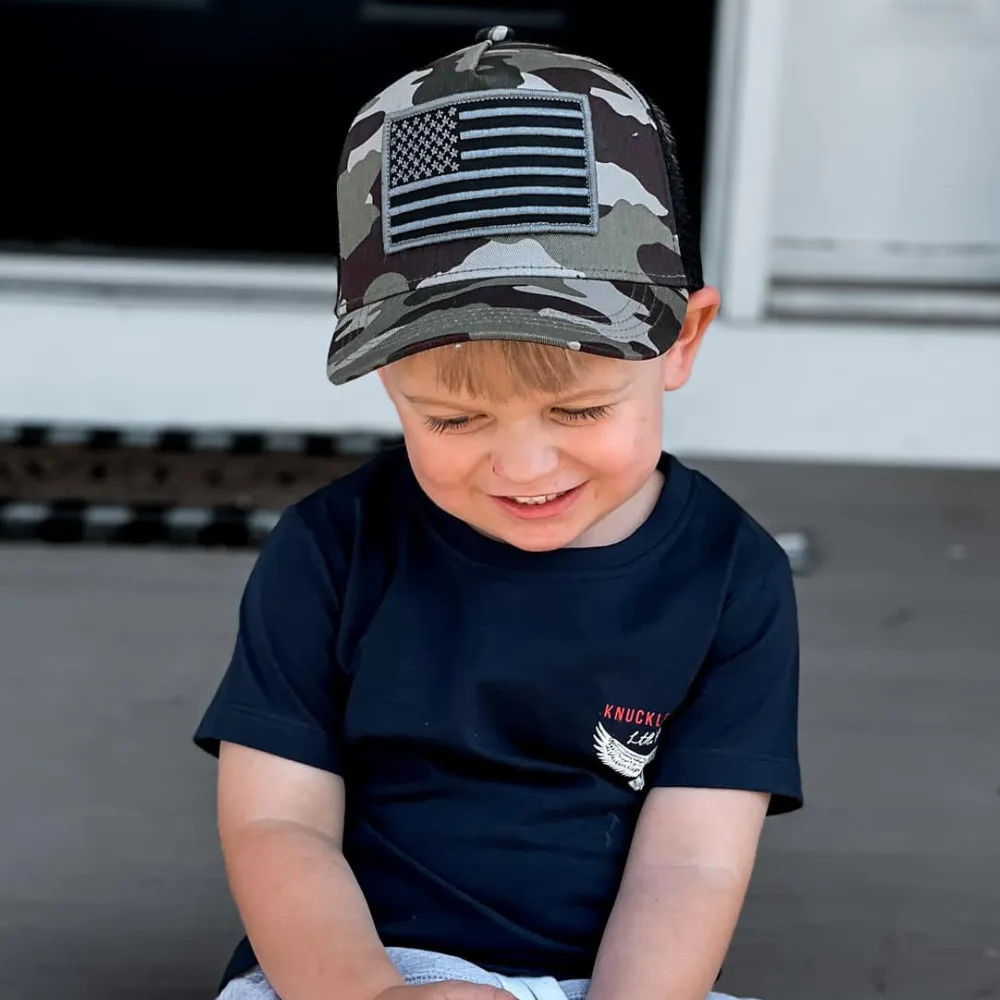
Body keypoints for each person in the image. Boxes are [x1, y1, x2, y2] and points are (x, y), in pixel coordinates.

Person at [194, 25, 803, 1000]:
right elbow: (278, 821)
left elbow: (691, 860)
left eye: (579, 408)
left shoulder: (730, 577)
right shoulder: (331, 550)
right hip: (354, 967)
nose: (521, 464)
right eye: (453, 416)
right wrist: (375, 993)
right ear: (390, 381)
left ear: (681, 341)